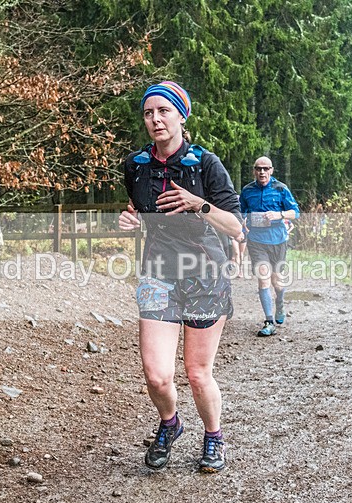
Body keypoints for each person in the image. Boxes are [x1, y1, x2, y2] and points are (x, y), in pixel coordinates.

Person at [118, 81, 244, 473]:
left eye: (163, 111)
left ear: (181, 115)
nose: (155, 119)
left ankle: (213, 437)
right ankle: (171, 424)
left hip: (206, 276)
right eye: (148, 113)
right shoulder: (136, 166)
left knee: (196, 372)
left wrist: (199, 203)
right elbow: (139, 207)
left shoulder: (207, 164)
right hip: (158, 276)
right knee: (157, 376)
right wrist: (131, 218)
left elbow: (236, 225)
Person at [239, 156, 300, 337]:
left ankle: (279, 304)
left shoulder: (281, 189)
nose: (262, 172)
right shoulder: (247, 190)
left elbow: (295, 212)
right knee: (263, 278)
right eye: (259, 169)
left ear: (271, 170)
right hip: (256, 241)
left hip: (278, 240)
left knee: (278, 281)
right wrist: (242, 225)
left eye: (266, 169)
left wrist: (279, 215)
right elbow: (240, 211)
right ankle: (269, 321)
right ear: (254, 171)